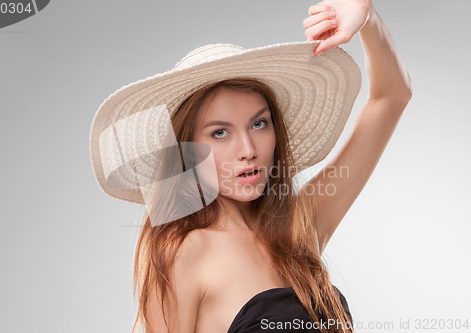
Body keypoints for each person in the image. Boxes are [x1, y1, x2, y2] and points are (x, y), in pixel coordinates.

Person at [89, 0, 412, 332]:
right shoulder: (184, 253)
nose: (247, 150)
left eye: (259, 124)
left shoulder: (302, 227)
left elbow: (392, 98)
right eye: (220, 132)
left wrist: (367, 15)